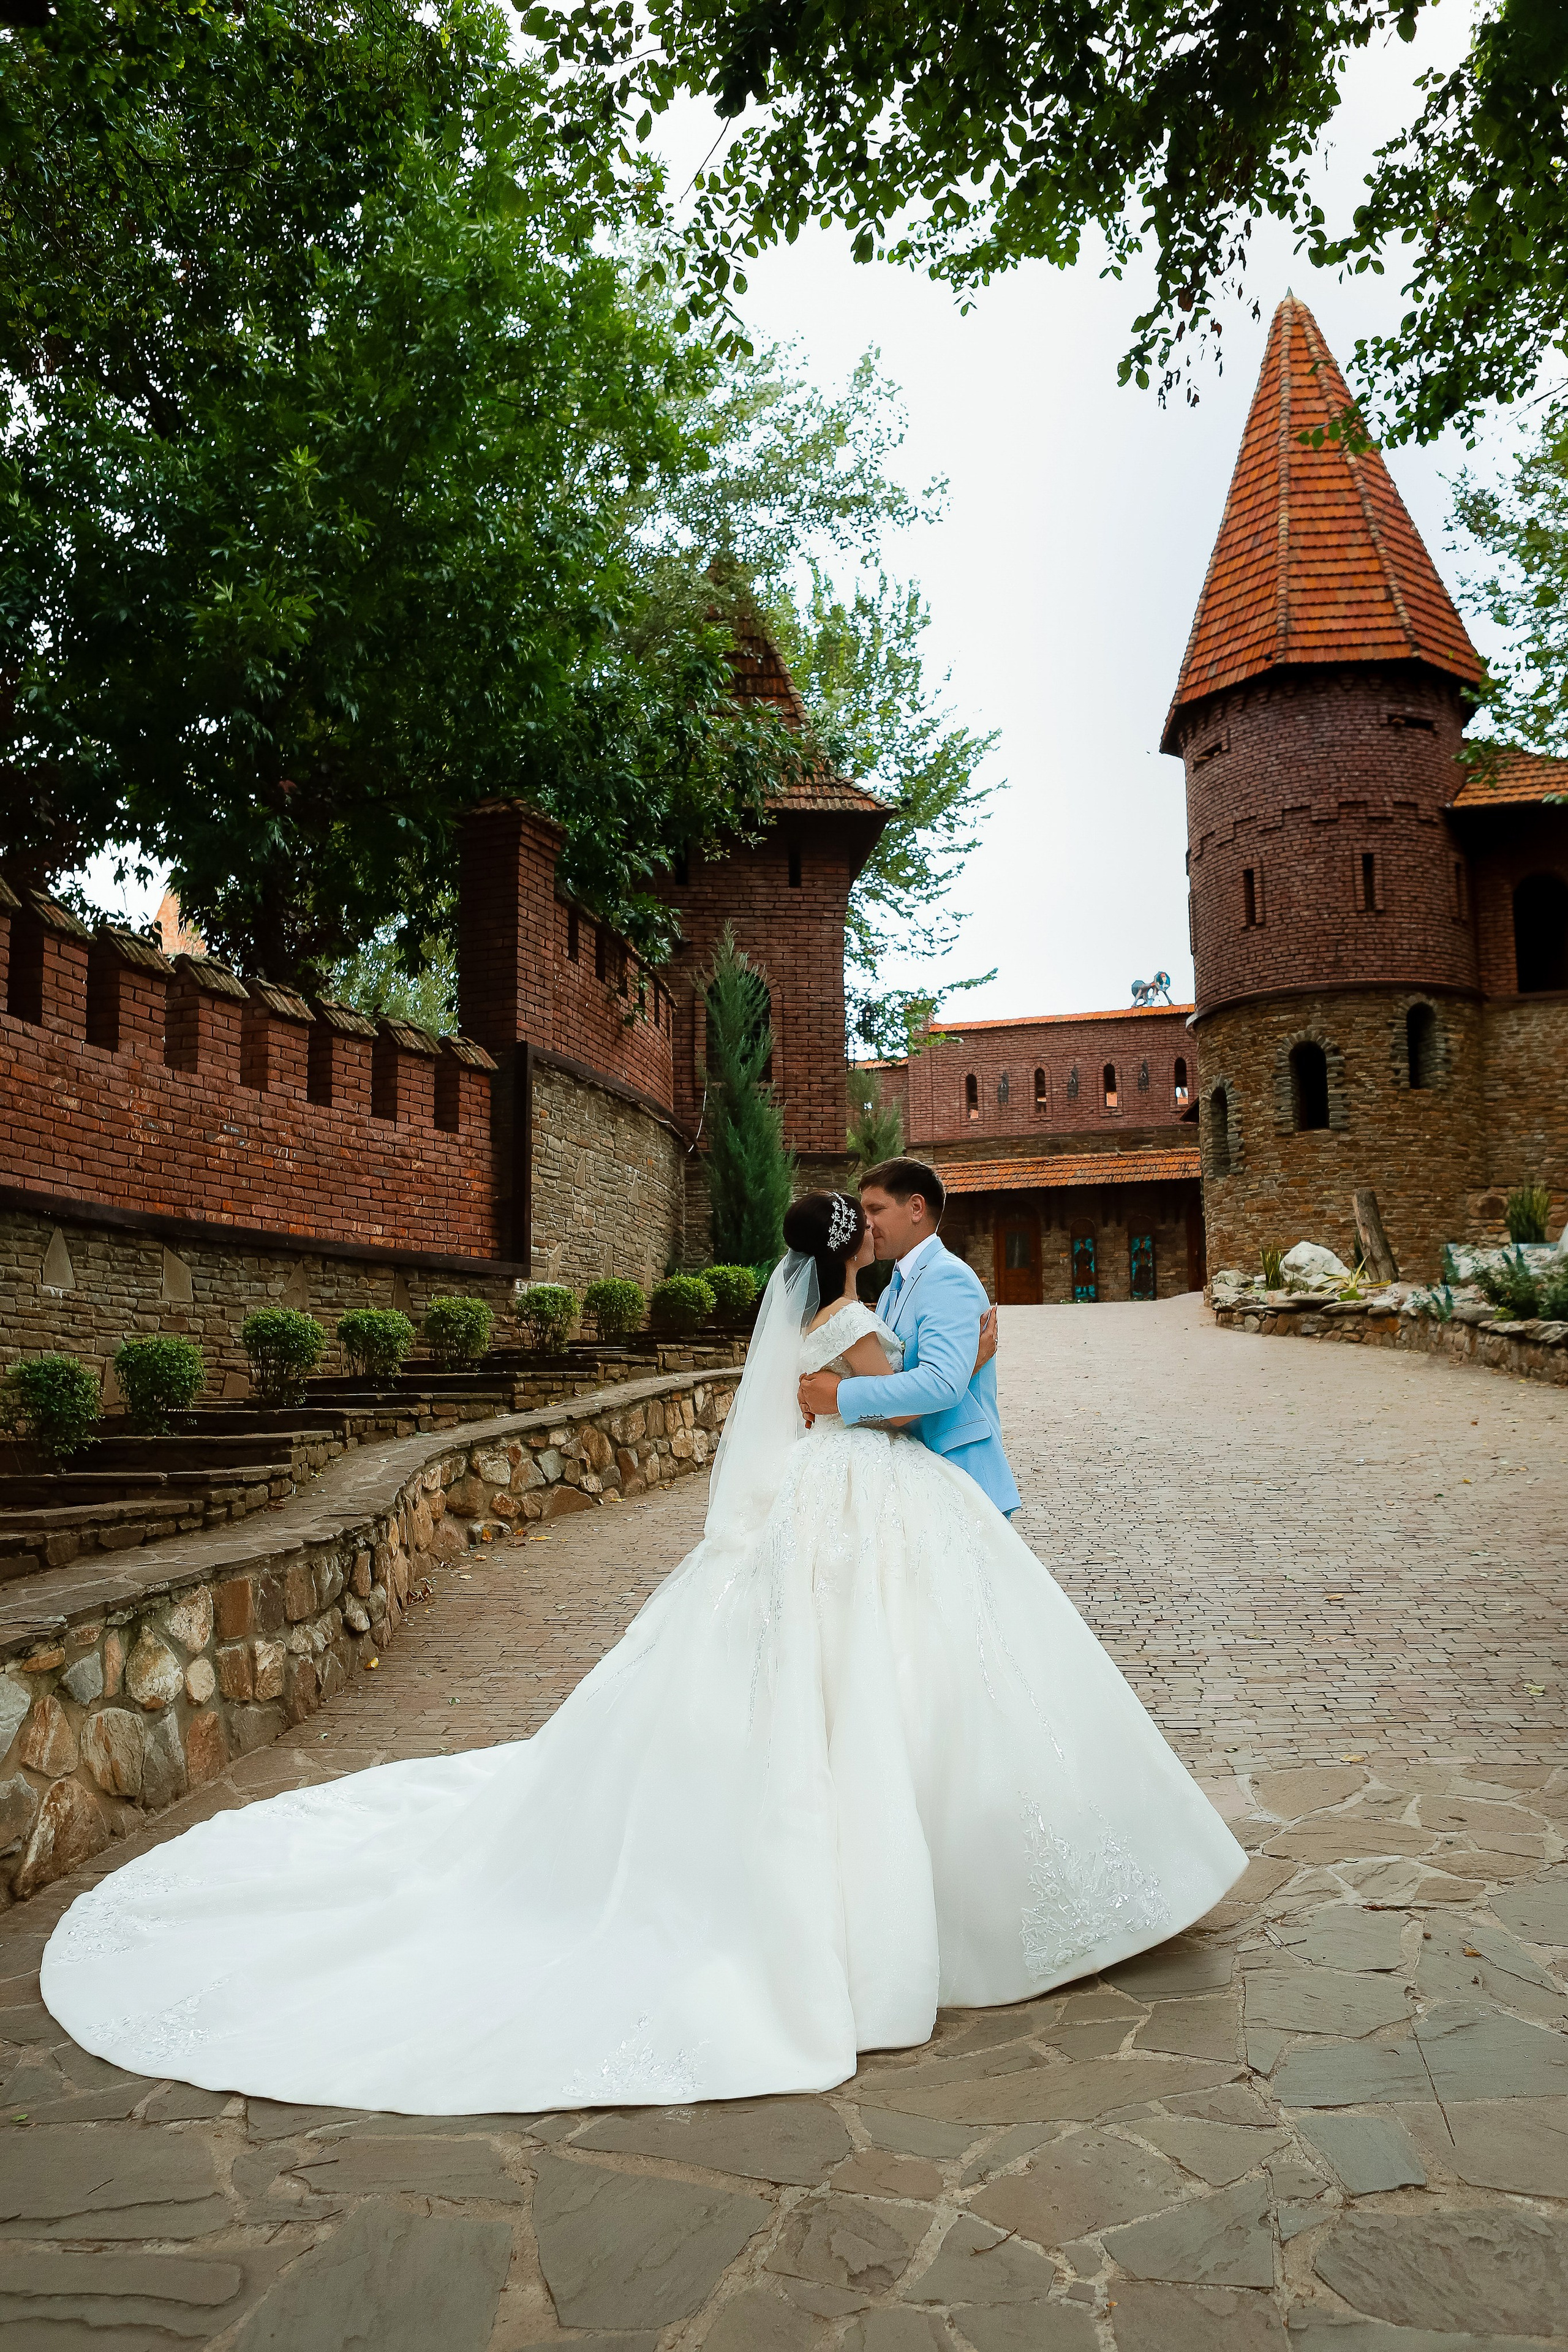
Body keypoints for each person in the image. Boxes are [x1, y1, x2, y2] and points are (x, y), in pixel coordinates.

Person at [41, 1191, 1245, 2114]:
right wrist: (968, 1363)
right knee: (901, 1674)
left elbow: (800, 1409)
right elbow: (910, 1401)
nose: (874, 1232)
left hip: (809, 1506)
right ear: (848, 1248)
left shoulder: (800, 1312)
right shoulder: (847, 1317)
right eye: (863, 1224)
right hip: (863, 1498)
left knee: (822, 1670)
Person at [801, 1157, 1020, 1515]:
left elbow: (940, 1384)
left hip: (956, 1467)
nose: (865, 1223)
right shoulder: (891, 1291)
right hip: (908, 1474)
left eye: (876, 1209)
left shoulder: (947, 1277)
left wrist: (840, 1394)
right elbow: (897, 1375)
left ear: (916, 1208)